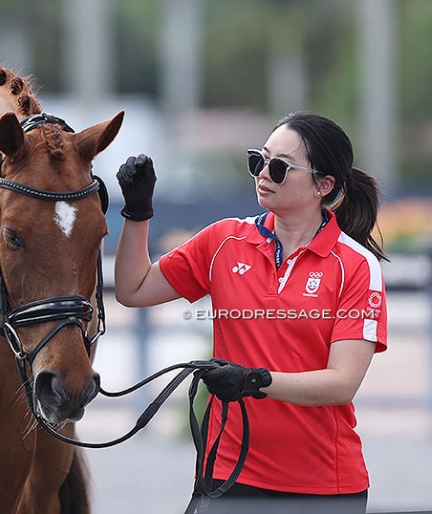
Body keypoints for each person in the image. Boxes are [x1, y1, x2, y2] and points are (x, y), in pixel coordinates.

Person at [114, 111, 388, 514]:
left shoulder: (357, 266)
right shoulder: (223, 241)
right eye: (258, 161)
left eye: (279, 168)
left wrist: (254, 381)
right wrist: (137, 214)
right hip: (227, 476)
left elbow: (342, 383)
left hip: (324, 487)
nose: (263, 174)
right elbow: (132, 289)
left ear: (324, 185)